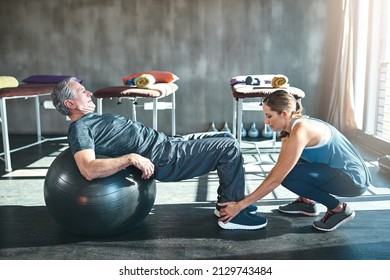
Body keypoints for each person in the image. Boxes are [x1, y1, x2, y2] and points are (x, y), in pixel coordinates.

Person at [51, 77, 267, 230]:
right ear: (70, 104)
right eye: (82, 91)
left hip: (168, 143)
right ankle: (233, 217)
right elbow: (87, 169)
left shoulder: (91, 121)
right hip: (166, 158)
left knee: (227, 139)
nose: (88, 92)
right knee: (229, 149)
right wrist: (131, 158)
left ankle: (226, 204)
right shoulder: (79, 129)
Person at [218, 90, 372, 232]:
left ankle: (338, 209)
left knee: (288, 176)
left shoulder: (300, 131)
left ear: (284, 114)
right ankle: (307, 202)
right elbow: (278, 168)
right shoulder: (291, 128)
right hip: (341, 173)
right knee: (288, 167)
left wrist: (240, 205)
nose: (265, 121)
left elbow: (277, 179)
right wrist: (246, 200)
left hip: (353, 180)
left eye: (269, 116)